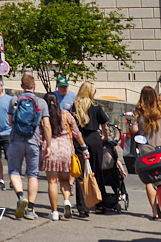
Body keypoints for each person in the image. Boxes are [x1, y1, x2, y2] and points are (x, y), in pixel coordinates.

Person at [8, 74, 52, 220]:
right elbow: (46, 126)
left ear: (21, 86)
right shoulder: (41, 102)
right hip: (33, 142)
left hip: (16, 140)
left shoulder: (14, 100)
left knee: (14, 171)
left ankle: (21, 197)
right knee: (32, 175)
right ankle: (30, 210)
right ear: (34, 86)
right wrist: (48, 145)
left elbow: (10, 122)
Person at [41, 91, 86, 221]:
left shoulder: (43, 117)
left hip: (51, 151)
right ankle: (67, 201)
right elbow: (77, 133)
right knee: (65, 181)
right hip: (66, 151)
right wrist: (84, 147)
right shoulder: (66, 114)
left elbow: (40, 134)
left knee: (52, 182)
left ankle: (54, 211)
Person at [133, 85, 161, 218]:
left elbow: (134, 129)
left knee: (150, 180)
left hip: (145, 149)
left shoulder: (139, 111)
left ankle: (154, 211)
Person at [72, 81, 114, 214]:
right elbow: (104, 125)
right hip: (94, 139)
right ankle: (100, 203)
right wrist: (105, 137)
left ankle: (82, 207)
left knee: (81, 173)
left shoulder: (75, 106)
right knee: (96, 171)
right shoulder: (96, 106)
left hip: (80, 139)